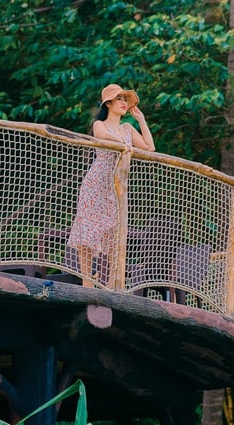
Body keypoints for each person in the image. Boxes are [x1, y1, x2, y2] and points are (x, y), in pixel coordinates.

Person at [68, 84, 155, 288]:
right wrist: (124, 145)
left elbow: (150, 147)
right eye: (119, 99)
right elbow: (103, 137)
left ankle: (110, 281)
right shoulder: (100, 124)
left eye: (125, 99)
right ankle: (87, 282)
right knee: (88, 230)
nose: (123, 103)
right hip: (96, 183)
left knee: (114, 232)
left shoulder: (128, 129)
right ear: (108, 103)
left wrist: (141, 120)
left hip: (117, 186)